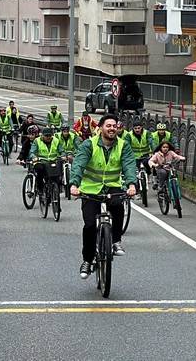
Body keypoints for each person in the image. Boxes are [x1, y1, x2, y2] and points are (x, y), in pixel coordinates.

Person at [69, 114, 137, 279]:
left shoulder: (123, 145)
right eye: (108, 125)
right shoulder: (89, 145)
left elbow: (129, 164)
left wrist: (131, 184)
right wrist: (74, 184)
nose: (112, 128)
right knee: (90, 225)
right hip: (90, 189)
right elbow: (79, 164)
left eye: (114, 126)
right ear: (100, 128)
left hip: (112, 186)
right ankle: (87, 260)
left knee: (118, 206)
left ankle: (116, 241)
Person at [28, 127, 64, 194]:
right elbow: (32, 152)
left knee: (57, 174)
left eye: (50, 135)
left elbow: (61, 150)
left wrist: (63, 156)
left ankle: (56, 189)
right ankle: (40, 188)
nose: (48, 137)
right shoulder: (37, 141)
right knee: (39, 170)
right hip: (41, 162)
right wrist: (34, 157)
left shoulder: (56, 141)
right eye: (46, 136)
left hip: (52, 161)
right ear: (42, 135)